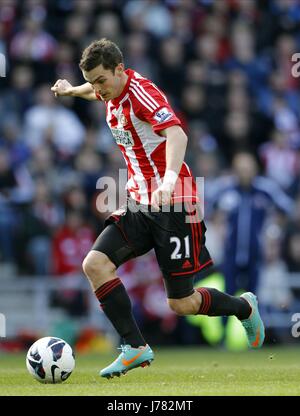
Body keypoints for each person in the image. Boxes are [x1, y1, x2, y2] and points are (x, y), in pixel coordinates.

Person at [51, 38, 265, 380]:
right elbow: (95, 92)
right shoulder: (109, 92)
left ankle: (243, 306)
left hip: (175, 201)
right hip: (139, 201)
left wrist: (167, 181)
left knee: (181, 304)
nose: (98, 89)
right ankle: (134, 347)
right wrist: (74, 90)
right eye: (93, 82)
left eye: (102, 80)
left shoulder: (141, 93)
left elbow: (177, 133)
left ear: (120, 70)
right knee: (95, 264)